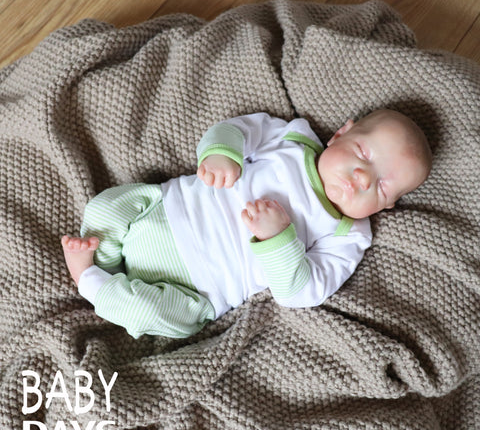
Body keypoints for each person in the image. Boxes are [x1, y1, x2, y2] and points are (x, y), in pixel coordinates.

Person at [61, 109, 432, 339]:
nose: (363, 177)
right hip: (166, 211)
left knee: (159, 318)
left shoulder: (348, 236)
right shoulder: (293, 140)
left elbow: (300, 292)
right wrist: (222, 154)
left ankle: (90, 280)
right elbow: (237, 130)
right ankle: (103, 258)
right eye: (363, 153)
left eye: (381, 186)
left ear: (387, 206)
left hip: (198, 290)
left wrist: (278, 239)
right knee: (106, 207)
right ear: (340, 134)